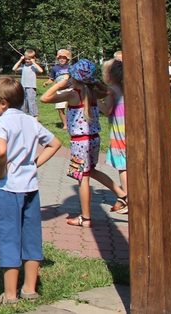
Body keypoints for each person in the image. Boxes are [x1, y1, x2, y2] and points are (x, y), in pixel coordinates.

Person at [0, 77, 62, 305]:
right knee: (31, 235)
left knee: (8, 236)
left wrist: (0, 171)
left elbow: (0, 152)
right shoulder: (30, 121)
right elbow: (55, 143)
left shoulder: (0, 123)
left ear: (3, 102)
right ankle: (29, 289)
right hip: (31, 188)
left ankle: (9, 295)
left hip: (7, 189)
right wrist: (33, 164)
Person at [41, 59, 127, 227]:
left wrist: (60, 84)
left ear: (74, 77)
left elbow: (44, 98)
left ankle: (85, 218)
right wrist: (95, 82)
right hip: (94, 139)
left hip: (80, 142)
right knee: (91, 170)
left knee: (83, 179)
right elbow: (107, 92)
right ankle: (122, 194)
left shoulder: (72, 94)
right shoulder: (93, 94)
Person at [97, 59, 128, 213]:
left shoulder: (111, 91)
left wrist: (95, 101)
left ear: (108, 75)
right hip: (128, 129)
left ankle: (127, 198)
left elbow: (108, 110)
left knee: (122, 166)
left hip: (118, 132)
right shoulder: (126, 87)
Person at [12, 49, 43, 120]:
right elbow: (14, 68)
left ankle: (34, 117)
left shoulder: (33, 66)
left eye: (29, 59)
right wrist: (20, 60)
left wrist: (34, 62)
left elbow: (41, 70)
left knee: (32, 102)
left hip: (31, 87)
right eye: (26, 59)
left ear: (33, 58)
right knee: (23, 103)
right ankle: (25, 116)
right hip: (23, 86)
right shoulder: (23, 66)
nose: (27, 60)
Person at [48, 49, 73, 131]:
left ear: (67, 59)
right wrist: (47, 83)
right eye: (60, 58)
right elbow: (51, 79)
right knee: (60, 108)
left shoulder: (70, 68)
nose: (62, 59)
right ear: (58, 59)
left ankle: (72, 122)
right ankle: (65, 125)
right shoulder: (55, 68)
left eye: (64, 58)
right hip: (60, 90)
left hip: (70, 89)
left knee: (72, 107)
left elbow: (75, 78)